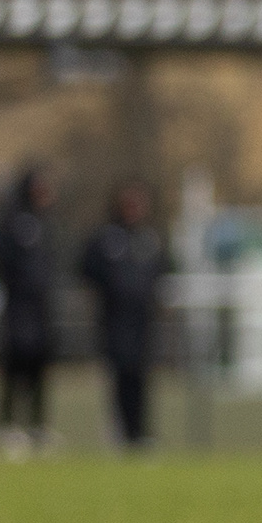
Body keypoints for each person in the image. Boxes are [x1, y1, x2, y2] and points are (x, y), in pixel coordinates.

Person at [79, 180, 172, 451]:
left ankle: (140, 433)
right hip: (114, 320)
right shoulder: (105, 239)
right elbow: (88, 272)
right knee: (119, 375)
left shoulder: (150, 239)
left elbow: (164, 271)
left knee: (141, 376)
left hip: (144, 320)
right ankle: (119, 431)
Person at [0, 165, 58, 458]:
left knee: (39, 365)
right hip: (18, 308)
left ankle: (37, 424)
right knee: (14, 362)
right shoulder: (13, 222)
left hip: (41, 309)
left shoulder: (45, 224)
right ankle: (7, 424)